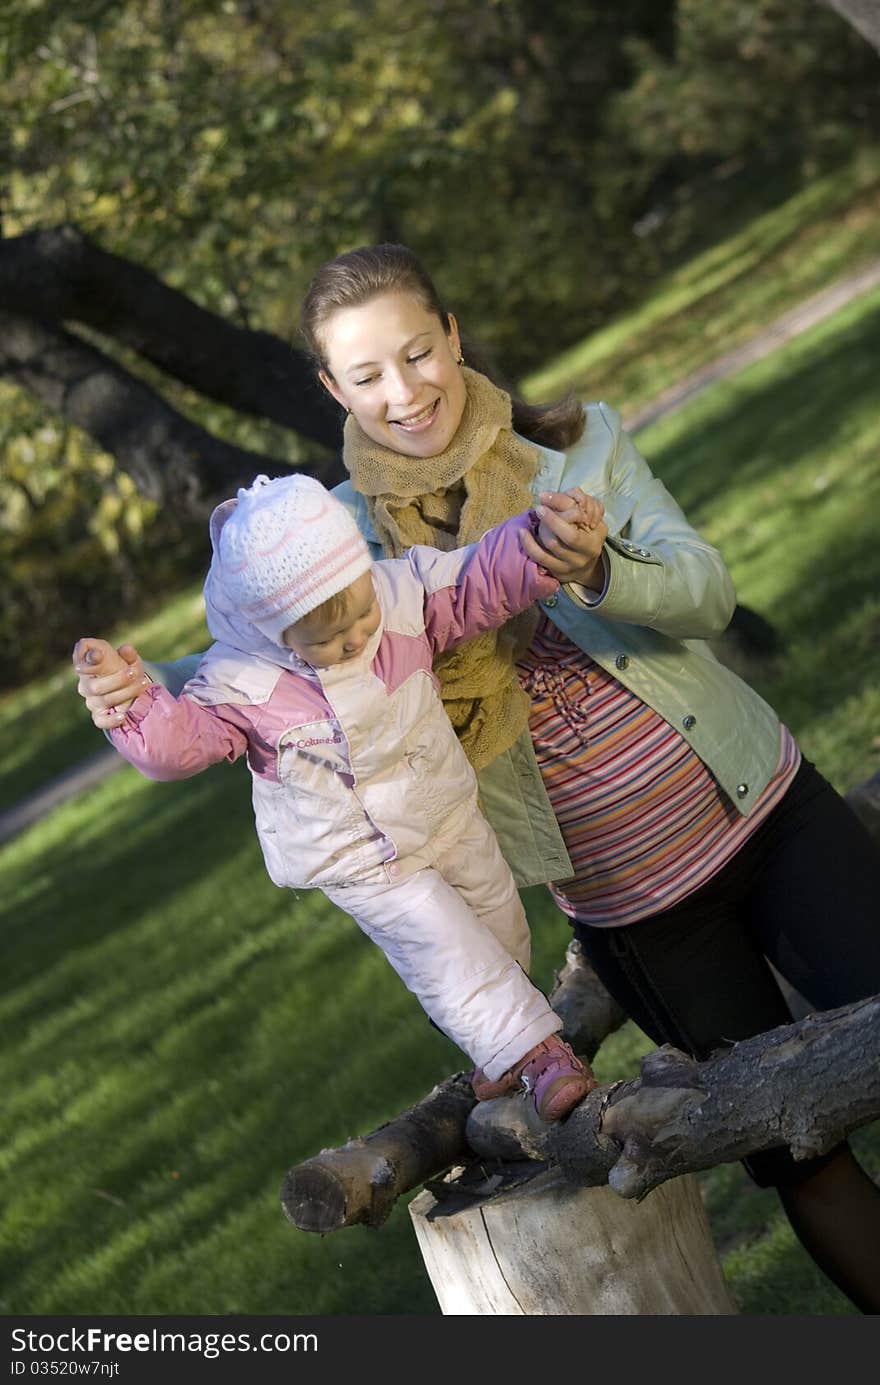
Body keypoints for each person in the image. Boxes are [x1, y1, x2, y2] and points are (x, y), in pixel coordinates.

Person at [76, 243, 880, 1311]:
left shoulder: (574, 447)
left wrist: (597, 561)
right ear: (332, 389)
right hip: (633, 905)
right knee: (798, 1151)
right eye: (366, 375)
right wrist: (134, 684)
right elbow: (236, 670)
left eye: (417, 352)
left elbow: (706, 594)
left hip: (762, 807)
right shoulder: (325, 545)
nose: (402, 390)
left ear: (452, 334)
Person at [73, 471, 598, 1122]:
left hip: (443, 807)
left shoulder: (396, 597)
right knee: (447, 950)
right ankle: (542, 1056)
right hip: (362, 857)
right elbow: (179, 744)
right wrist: (134, 705)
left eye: (359, 615)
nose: (354, 638)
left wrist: (538, 543)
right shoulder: (245, 681)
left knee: (500, 930)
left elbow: (474, 580)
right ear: (273, 631)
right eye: (326, 637)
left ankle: (502, 1047)